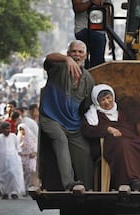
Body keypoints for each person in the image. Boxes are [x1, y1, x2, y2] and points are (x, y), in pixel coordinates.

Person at [82, 84, 140, 192]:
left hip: (129, 140)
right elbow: (87, 131)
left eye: (108, 97)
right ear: (97, 102)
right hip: (109, 145)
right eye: (102, 99)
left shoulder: (121, 113)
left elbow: (132, 129)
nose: (107, 102)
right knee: (123, 145)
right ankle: (129, 181)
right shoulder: (94, 115)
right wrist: (108, 129)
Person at [39, 40, 94, 190]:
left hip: (73, 125)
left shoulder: (88, 79)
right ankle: (69, 184)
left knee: (85, 151)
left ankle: (89, 189)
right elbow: (49, 58)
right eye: (73, 51)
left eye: (80, 52)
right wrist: (66, 59)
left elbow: (86, 106)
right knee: (60, 140)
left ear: (86, 55)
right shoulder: (58, 67)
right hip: (51, 119)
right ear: (68, 53)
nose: (76, 54)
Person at [0, 122, 25, 199]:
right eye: (6, 128)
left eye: (9, 128)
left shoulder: (13, 136)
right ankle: (5, 192)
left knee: (13, 175)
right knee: (2, 177)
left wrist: (20, 157)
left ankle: (14, 192)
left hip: (13, 160)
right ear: (2, 129)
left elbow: (18, 148)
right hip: (2, 161)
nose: (8, 130)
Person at [72, 0, 106, 68]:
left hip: (100, 32)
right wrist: (91, 2)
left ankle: (98, 69)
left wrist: (111, 37)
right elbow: (77, 8)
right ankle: (96, 71)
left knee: (100, 39)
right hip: (83, 29)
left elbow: (108, 13)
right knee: (98, 40)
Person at [17, 124, 37, 195]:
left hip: (30, 157)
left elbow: (35, 145)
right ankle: (23, 189)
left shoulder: (31, 136)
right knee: (23, 174)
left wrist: (34, 152)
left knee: (31, 170)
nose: (22, 131)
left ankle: (28, 187)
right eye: (20, 130)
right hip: (22, 157)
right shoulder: (19, 137)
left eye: (23, 129)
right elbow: (17, 147)